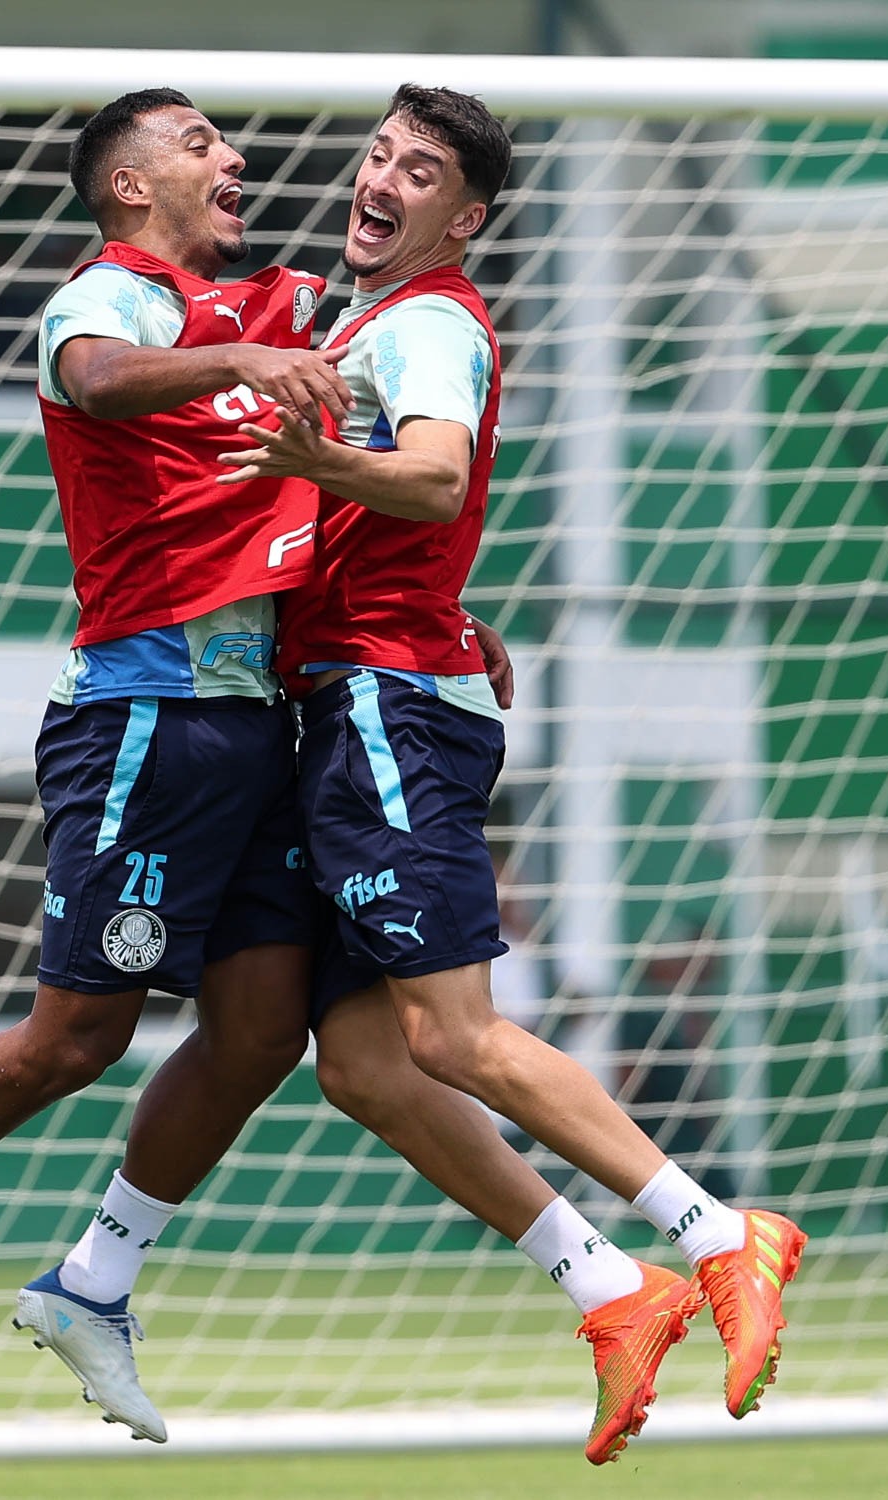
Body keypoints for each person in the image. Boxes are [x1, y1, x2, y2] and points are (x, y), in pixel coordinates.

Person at [218, 83, 807, 1463]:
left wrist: (320, 460)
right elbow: (423, 514)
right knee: (363, 1065)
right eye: (376, 153)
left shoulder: (424, 322)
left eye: (417, 170)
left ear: (462, 218)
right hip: (374, 691)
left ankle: (723, 1236)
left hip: (384, 706)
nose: (382, 178)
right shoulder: (369, 320)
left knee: (456, 1037)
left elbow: (428, 478)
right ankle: (612, 1293)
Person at [0, 87, 355, 1444]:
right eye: (196, 144)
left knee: (259, 1030)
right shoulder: (101, 299)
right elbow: (100, 383)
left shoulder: (267, 308)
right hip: (144, 713)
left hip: (258, 720)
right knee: (83, 1033)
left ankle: (95, 1279)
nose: (231, 158)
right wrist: (243, 368)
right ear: (128, 187)